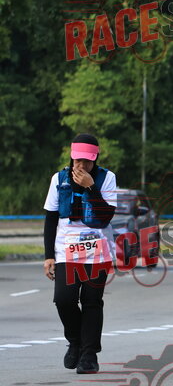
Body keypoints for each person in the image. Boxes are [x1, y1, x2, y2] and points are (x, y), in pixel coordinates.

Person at [43, 134, 117, 373]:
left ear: (95, 159)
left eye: (87, 161)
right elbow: (50, 219)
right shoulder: (58, 179)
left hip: (97, 250)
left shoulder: (107, 178)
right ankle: (75, 341)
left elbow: (105, 216)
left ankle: (89, 355)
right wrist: (49, 255)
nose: (82, 165)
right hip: (66, 250)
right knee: (64, 299)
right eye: (78, 160)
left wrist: (91, 187)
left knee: (92, 301)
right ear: (71, 157)